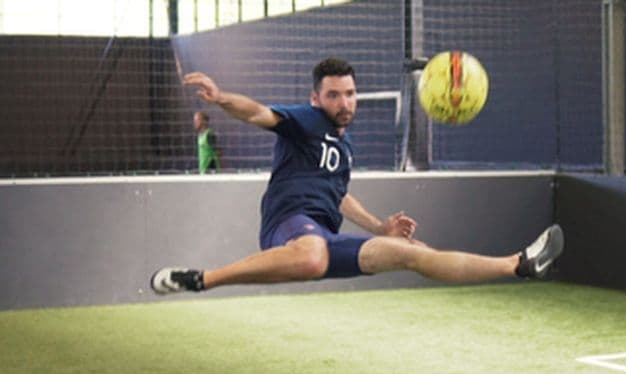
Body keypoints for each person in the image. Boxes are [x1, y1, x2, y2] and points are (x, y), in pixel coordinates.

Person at [150, 57, 563, 295]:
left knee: (413, 252)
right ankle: (201, 278)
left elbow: (340, 196)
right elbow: (258, 112)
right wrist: (222, 99)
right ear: (316, 98)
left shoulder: (344, 147)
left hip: (325, 237)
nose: (344, 101)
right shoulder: (306, 120)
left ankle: (518, 265)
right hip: (289, 228)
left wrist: (380, 227)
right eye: (333, 94)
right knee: (312, 254)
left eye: (349, 93)